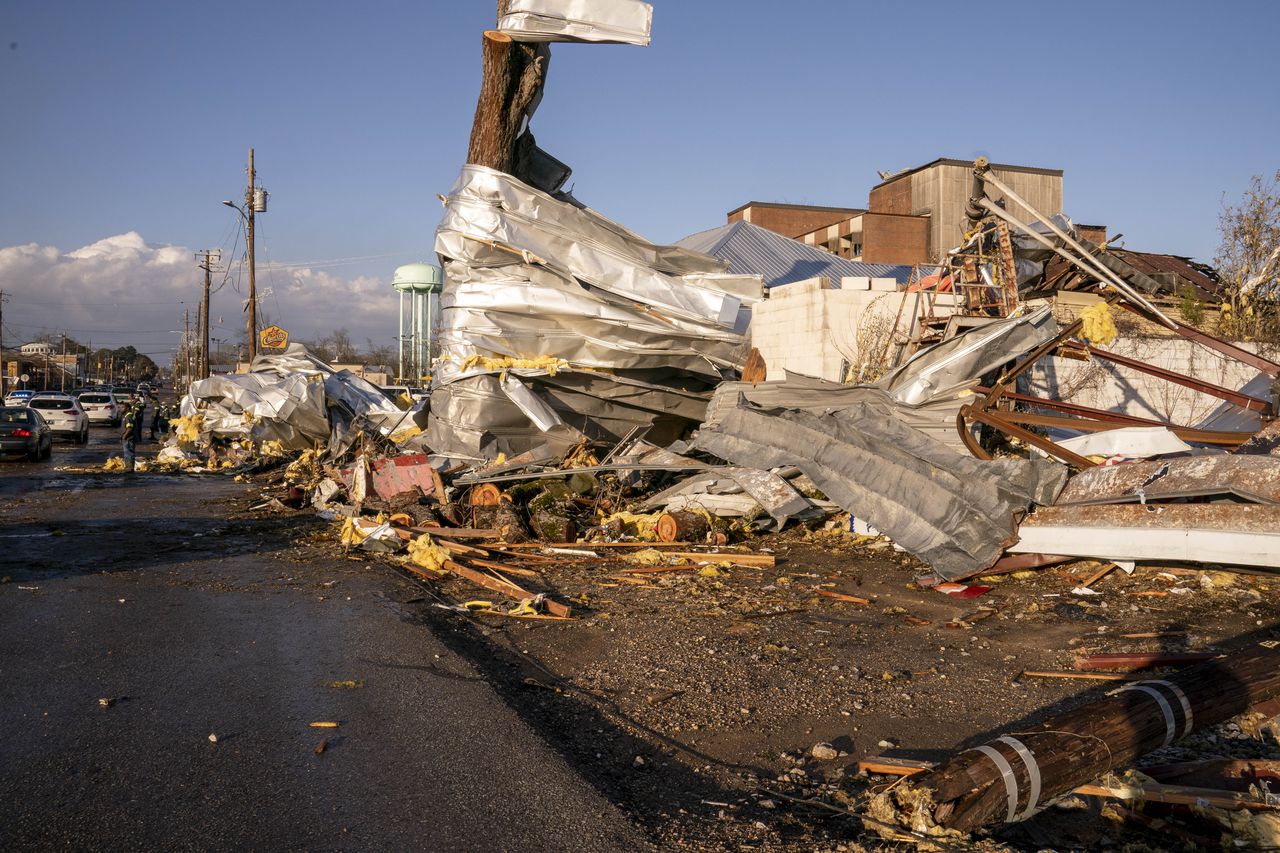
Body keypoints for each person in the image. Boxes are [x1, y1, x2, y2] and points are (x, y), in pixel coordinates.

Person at [121, 395, 145, 471]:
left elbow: (130, 428)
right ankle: (128, 466)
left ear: (127, 408)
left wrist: (124, 436)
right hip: (128, 438)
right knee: (127, 453)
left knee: (129, 453)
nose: (120, 409)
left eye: (122, 407)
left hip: (129, 438)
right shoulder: (126, 415)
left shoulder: (129, 416)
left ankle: (129, 467)